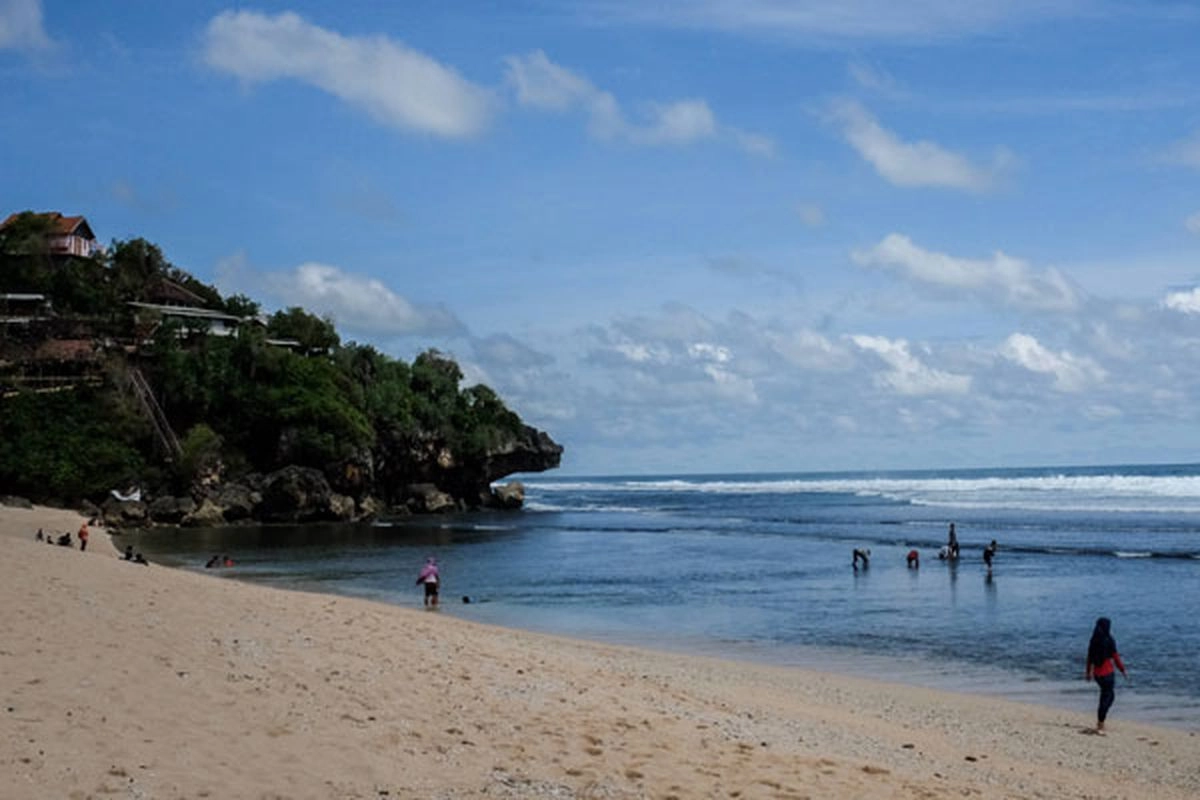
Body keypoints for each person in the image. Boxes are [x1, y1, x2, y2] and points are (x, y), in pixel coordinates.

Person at [1085, 617, 1128, 733]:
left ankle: (1101, 720)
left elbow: (1089, 658)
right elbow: (1116, 657)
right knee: (1108, 697)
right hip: (1108, 673)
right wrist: (1123, 670)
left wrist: (1088, 672)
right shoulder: (1109, 639)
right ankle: (1101, 722)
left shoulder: (1093, 640)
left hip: (1097, 675)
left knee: (1107, 695)